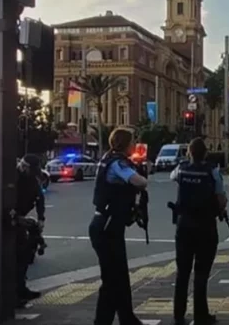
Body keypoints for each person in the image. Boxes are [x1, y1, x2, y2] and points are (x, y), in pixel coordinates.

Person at [89, 128, 148, 325]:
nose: (134, 145)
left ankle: (127, 318)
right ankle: (102, 321)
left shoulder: (110, 159)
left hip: (110, 226)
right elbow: (139, 182)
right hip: (106, 227)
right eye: (132, 142)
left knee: (120, 276)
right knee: (112, 279)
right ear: (125, 144)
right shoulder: (117, 164)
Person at [170, 138, 227, 325]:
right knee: (201, 273)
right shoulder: (212, 171)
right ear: (205, 153)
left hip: (184, 225)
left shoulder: (181, 168)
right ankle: (201, 315)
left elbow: (173, 177)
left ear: (189, 153)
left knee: (182, 272)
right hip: (205, 226)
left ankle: (178, 315)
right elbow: (220, 199)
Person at [15, 154, 46, 307]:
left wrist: (41, 218)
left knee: (25, 254)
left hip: (21, 219)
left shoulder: (32, 179)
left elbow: (40, 197)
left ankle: (21, 289)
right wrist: (16, 218)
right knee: (15, 256)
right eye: (30, 170)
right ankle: (13, 292)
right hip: (8, 219)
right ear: (23, 166)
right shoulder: (13, 178)